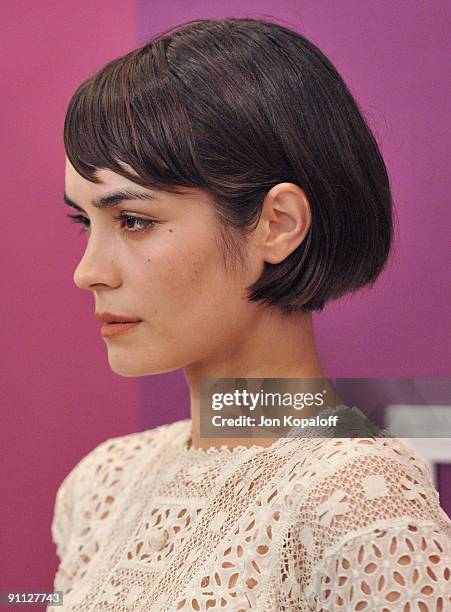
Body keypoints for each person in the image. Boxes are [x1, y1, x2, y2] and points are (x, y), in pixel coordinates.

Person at [49, 17, 451, 611]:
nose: (88, 271)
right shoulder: (102, 484)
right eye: (87, 223)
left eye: (133, 221)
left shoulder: (362, 498)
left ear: (278, 224)